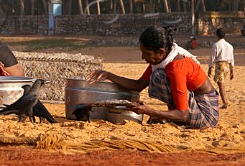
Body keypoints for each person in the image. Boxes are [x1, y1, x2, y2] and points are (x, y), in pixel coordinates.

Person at [86, 25, 219, 129]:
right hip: (192, 107)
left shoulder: (176, 67)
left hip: (206, 115)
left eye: (146, 53)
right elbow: (138, 85)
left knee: (159, 77)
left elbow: (183, 114)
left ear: (160, 51)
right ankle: (171, 117)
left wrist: (150, 111)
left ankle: (172, 117)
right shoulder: (162, 60)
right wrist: (108, 75)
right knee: (158, 75)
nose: (143, 57)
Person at [208, 28, 234, 109]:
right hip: (227, 65)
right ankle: (224, 101)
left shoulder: (216, 45)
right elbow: (232, 58)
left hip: (220, 65)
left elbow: (212, 57)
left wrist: (210, 67)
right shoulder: (230, 46)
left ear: (217, 35)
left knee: (220, 84)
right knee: (221, 83)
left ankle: (225, 102)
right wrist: (232, 70)